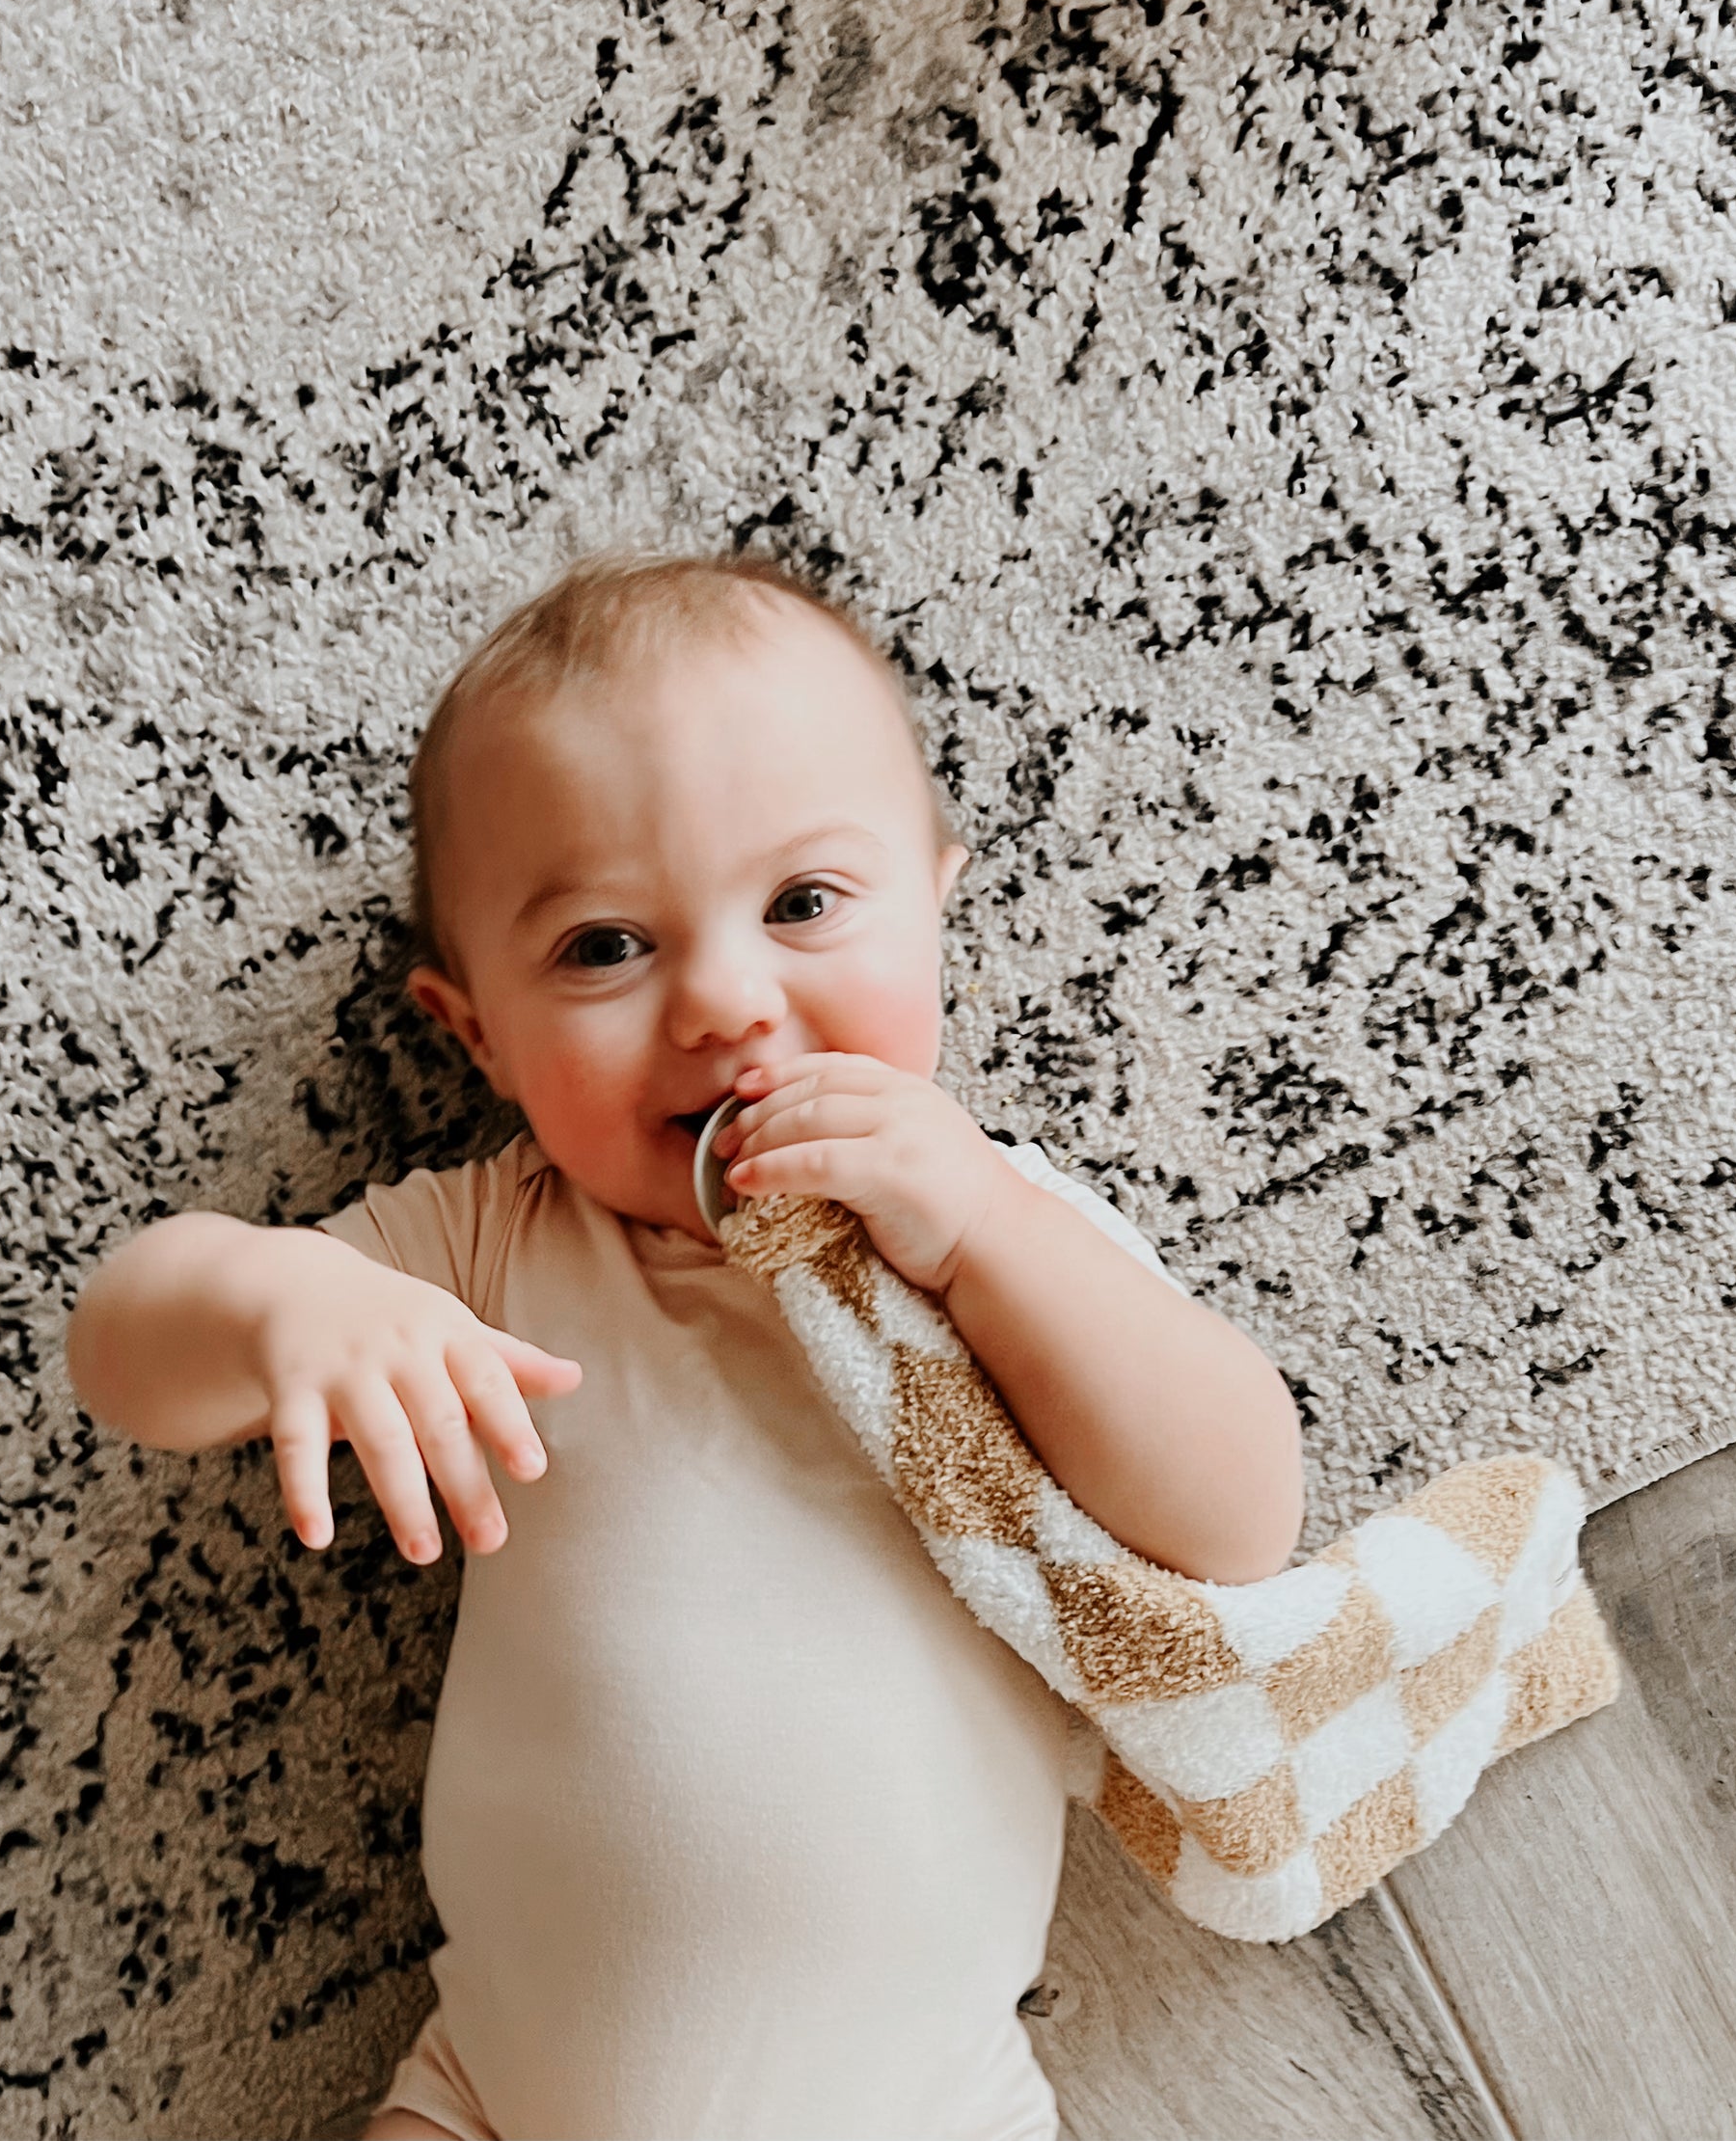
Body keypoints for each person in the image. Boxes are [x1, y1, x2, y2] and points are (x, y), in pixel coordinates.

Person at [67, 554, 1305, 2141]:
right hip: (491, 2098)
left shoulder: (1000, 1234)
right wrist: (273, 1303)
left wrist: (986, 1235)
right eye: (601, 948)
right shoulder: (492, 1243)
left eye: (801, 905)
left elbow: (1234, 1518)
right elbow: (123, 1352)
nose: (724, 1001)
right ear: (476, 1034)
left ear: (934, 895)